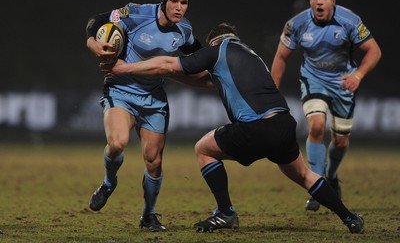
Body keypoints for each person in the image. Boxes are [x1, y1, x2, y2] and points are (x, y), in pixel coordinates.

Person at [100, 22, 365, 234]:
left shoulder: (217, 50)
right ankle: (349, 217)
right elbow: (206, 81)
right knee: (304, 175)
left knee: (203, 149)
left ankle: (225, 212)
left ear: (216, 40)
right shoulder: (251, 55)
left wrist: (126, 68)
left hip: (255, 127)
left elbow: (171, 63)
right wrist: (168, 74)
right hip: (283, 124)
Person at [85, 0, 205, 232]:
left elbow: (199, 55)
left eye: (184, 3)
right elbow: (96, 21)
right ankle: (108, 183)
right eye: (174, 1)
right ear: (164, 1)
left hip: (154, 99)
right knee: (117, 143)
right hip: (121, 90)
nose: (179, 7)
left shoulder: (183, 30)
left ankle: (148, 216)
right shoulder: (136, 13)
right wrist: (95, 47)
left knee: (154, 162)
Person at [271, 0, 381, 212]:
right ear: (310, 0)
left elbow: (374, 50)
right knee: (317, 126)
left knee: (340, 140)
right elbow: (281, 57)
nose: (319, 1)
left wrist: (358, 75)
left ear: (333, 1)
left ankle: (331, 176)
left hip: (344, 83)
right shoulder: (297, 24)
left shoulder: (349, 20)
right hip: (314, 81)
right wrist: (271, 92)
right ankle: (317, 185)